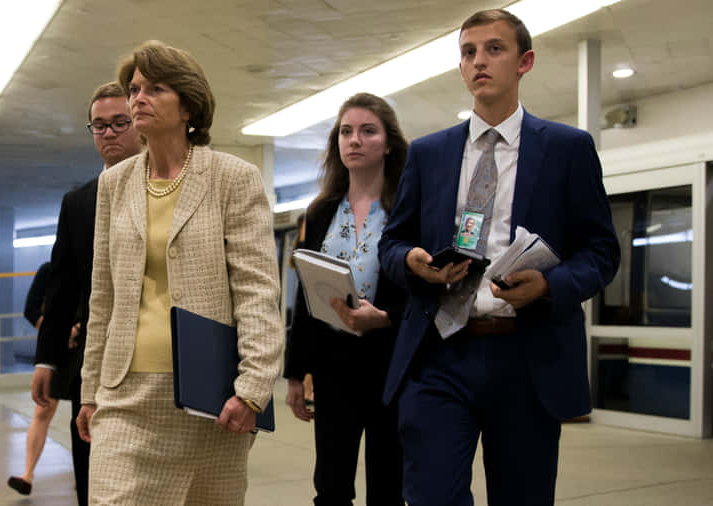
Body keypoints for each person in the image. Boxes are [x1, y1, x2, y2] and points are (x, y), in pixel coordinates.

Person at [378, 9, 620, 506]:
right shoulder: (428, 154)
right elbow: (392, 243)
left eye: (493, 49)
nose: (478, 61)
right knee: (430, 496)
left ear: (524, 61)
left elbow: (600, 252)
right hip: (440, 352)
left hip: (527, 357)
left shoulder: (568, 150)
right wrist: (411, 262)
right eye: (468, 52)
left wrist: (550, 286)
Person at [75, 40, 283, 505]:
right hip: (125, 393)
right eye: (134, 89)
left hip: (209, 398)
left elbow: (256, 291)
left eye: (155, 88)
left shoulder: (233, 177)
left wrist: (253, 387)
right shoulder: (115, 183)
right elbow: (102, 294)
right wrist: (89, 389)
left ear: (188, 103)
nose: (138, 99)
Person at [283, 93, 406, 506]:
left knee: (388, 484)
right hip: (333, 364)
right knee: (331, 486)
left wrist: (387, 318)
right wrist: (296, 373)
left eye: (368, 131)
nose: (354, 140)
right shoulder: (319, 213)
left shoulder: (408, 211)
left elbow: (424, 294)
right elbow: (305, 294)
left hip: (389, 361)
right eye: (346, 131)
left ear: (388, 143)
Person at [28, 82, 142, 505]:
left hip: (157, 360)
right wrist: (48, 358)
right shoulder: (78, 203)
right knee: (93, 478)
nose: (109, 133)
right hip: (93, 366)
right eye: (99, 126)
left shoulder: (167, 192)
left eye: (119, 123)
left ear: (140, 125)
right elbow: (61, 288)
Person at [8, 262, 62, 496]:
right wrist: (56, 333)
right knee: (43, 410)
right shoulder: (49, 271)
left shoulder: (90, 266)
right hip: (56, 349)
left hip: (84, 347)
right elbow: (31, 309)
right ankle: (27, 475)